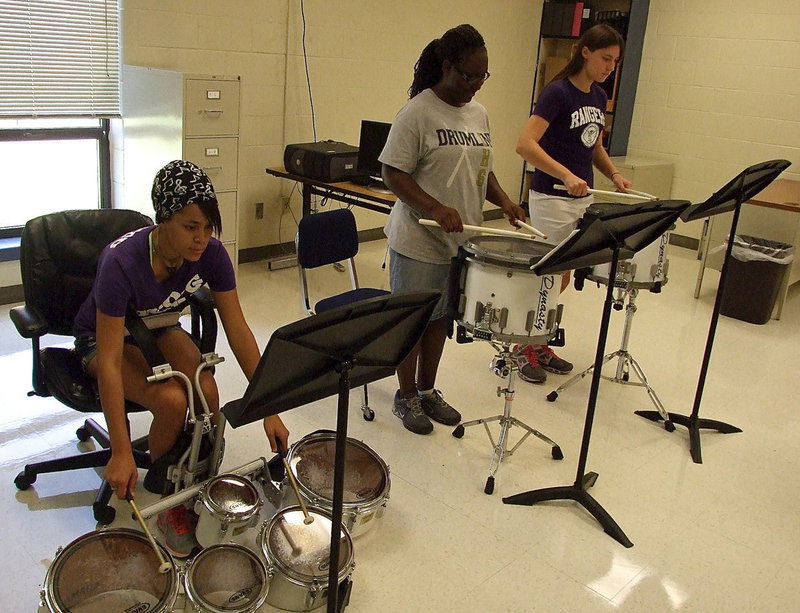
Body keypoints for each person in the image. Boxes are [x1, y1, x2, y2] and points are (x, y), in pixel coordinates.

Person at [72, 160, 290, 556]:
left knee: (207, 389)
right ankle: (164, 499)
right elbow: (107, 359)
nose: (201, 239)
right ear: (163, 219)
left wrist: (269, 408)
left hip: (160, 326)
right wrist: (121, 451)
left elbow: (239, 330)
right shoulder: (120, 261)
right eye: (191, 227)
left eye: (208, 228)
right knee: (173, 401)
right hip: (103, 340)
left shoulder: (212, 254)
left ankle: (193, 472)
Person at [379, 24, 526, 435]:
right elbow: (392, 172)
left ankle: (427, 390)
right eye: (468, 75)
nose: (476, 85)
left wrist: (506, 201)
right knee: (412, 320)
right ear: (447, 66)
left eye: (483, 76)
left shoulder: (479, 114)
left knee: (440, 320)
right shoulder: (417, 113)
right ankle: (405, 395)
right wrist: (434, 206)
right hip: (418, 240)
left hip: (460, 242)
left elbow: (483, 169)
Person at [513, 23, 632, 384]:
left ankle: (541, 340)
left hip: (583, 198)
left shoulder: (597, 96)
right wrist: (564, 174)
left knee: (562, 277)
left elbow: (593, 145)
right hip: (552, 196)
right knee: (547, 275)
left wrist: (613, 174)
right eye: (605, 58)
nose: (610, 67)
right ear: (585, 52)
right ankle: (522, 346)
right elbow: (525, 144)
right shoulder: (557, 93)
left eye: (615, 61)